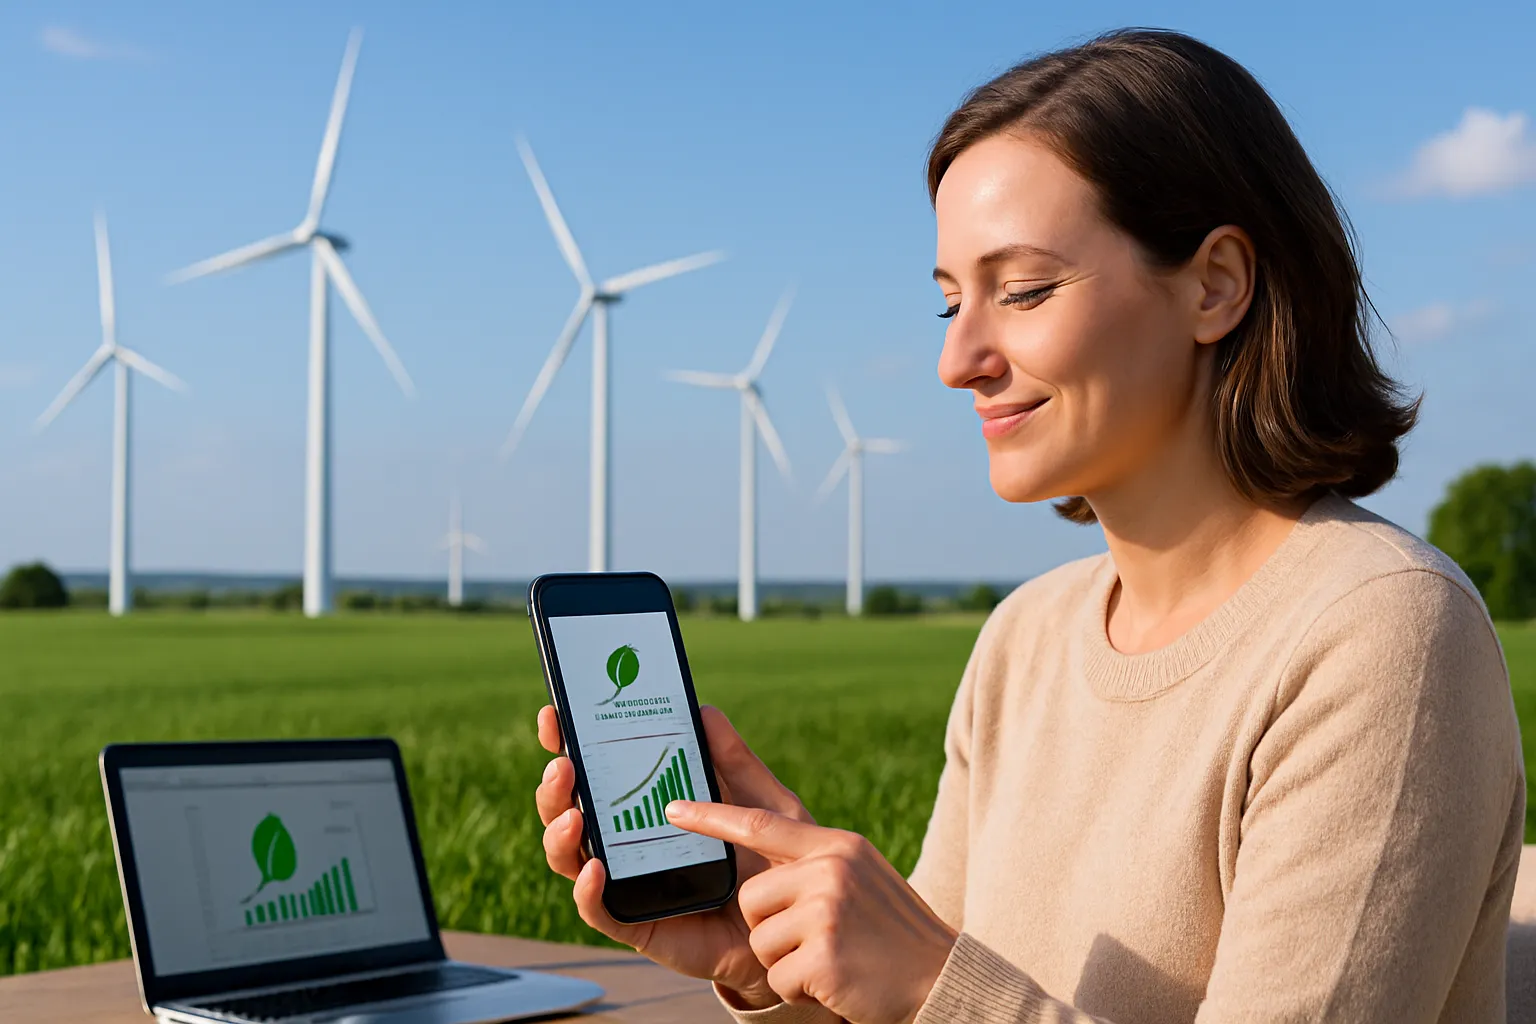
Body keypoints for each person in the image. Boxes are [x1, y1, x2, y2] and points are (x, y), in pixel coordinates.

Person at [533, 28, 1525, 1024]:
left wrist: (929, 977)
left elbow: (949, 999)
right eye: (949, 303)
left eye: (1023, 291)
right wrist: (775, 957)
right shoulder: (1027, 637)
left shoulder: (1382, 633)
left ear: (1216, 283)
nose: (958, 359)